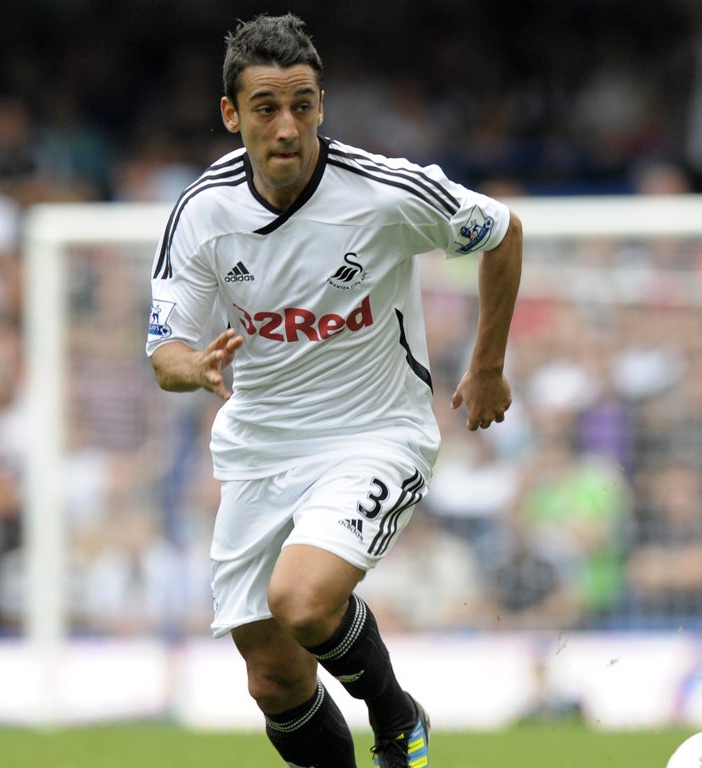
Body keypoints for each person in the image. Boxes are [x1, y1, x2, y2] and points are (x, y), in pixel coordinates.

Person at [145, 14, 522, 768]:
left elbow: (503, 231)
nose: (288, 127)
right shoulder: (203, 212)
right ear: (232, 114)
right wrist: (195, 367)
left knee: (304, 599)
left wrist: (485, 366)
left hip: (375, 433)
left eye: (304, 106)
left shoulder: (385, 192)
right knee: (273, 677)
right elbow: (166, 353)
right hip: (258, 450)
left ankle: (395, 718)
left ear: (322, 105)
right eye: (266, 109)